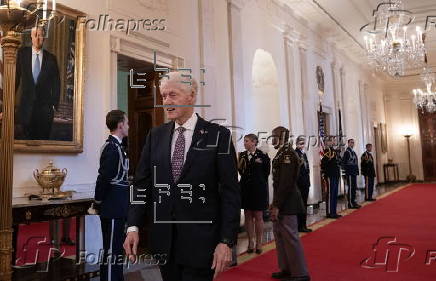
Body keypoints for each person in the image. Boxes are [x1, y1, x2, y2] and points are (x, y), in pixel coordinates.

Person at [124, 72, 240, 281]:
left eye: (173, 95)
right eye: (163, 96)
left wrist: (226, 241)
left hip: (203, 244)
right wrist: (133, 225)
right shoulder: (155, 136)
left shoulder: (218, 136)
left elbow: (230, 192)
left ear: (192, 96)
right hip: (164, 244)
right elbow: (142, 185)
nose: (166, 101)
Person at [270, 126, 310, 281]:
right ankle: (286, 269)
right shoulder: (281, 152)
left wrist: (277, 205)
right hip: (281, 201)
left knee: (291, 238)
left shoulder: (287, 154)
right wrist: (274, 203)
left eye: (273, 136)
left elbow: (286, 183)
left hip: (288, 202)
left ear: (281, 136)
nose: (272, 139)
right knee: (281, 238)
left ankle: (300, 273)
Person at [94, 110, 130, 281]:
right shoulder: (111, 148)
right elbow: (103, 179)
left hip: (119, 206)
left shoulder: (118, 147)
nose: (129, 126)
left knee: (116, 249)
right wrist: (97, 202)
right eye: (127, 122)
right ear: (120, 125)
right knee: (111, 250)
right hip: (113, 206)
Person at [15, 26, 60, 140]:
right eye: (35, 35)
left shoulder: (51, 58)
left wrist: (54, 105)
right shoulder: (22, 54)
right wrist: (8, 103)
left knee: (42, 142)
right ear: (31, 36)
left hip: (45, 112)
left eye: (40, 35)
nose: (37, 38)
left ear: (44, 37)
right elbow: (15, 79)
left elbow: (56, 83)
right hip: (25, 110)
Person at [238, 134, 270, 254]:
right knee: (248, 216)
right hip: (246, 190)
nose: (245, 143)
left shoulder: (262, 156)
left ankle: (259, 242)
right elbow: (240, 170)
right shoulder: (241, 156)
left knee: (258, 216)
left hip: (258, 190)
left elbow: (266, 172)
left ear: (254, 142)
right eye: (244, 141)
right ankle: (251, 241)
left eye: (247, 141)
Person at [321, 138, 342, 219]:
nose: (334, 142)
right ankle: (330, 212)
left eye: (334, 140)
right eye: (332, 140)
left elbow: (337, 162)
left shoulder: (334, 151)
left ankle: (334, 211)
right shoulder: (327, 151)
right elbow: (323, 163)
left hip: (335, 175)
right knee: (330, 194)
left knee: (334, 194)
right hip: (330, 175)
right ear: (328, 142)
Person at [295, 136, 312, 233]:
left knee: (304, 204)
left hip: (305, 182)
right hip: (299, 183)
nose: (302, 145)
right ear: (297, 143)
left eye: (303, 143)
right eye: (301, 143)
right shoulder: (295, 153)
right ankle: (299, 226)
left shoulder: (303, 154)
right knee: (300, 205)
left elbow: (306, 168)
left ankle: (303, 225)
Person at [342, 139, 361, 209]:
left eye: (353, 143)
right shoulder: (347, 152)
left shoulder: (353, 152)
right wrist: (344, 173)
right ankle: (350, 203)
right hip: (349, 173)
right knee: (350, 187)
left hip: (354, 172)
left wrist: (357, 172)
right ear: (348, 143)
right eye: (351, 142)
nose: (352, 144)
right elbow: (343, 162)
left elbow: (355, 163)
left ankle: (353, 201)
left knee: (354, 187)